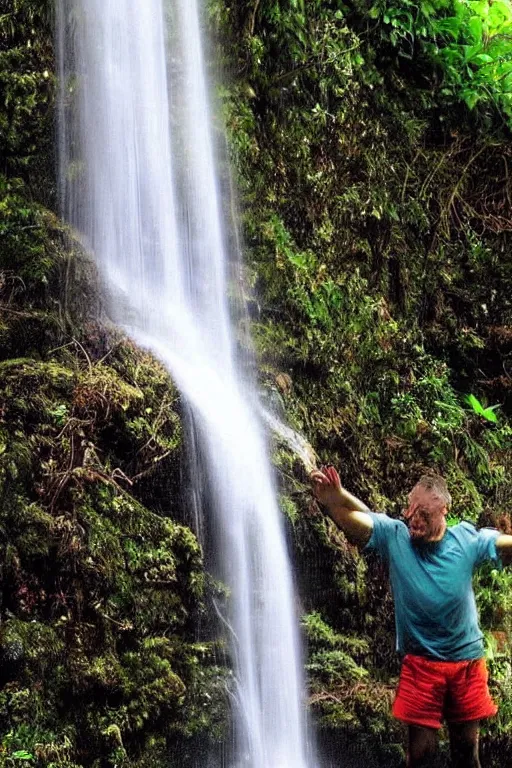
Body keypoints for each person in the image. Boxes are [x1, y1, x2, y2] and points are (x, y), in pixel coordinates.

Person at [310, 466, 512, 768]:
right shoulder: (396, 537)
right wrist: (334, 499)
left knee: (466, 751)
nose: (413, 521)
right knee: (420, 755)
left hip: (466, 664)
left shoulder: (466, 541)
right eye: (411, 511)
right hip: (420, 664)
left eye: (424, 515)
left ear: (443, 510)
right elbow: (354, 519)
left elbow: (501, 544)